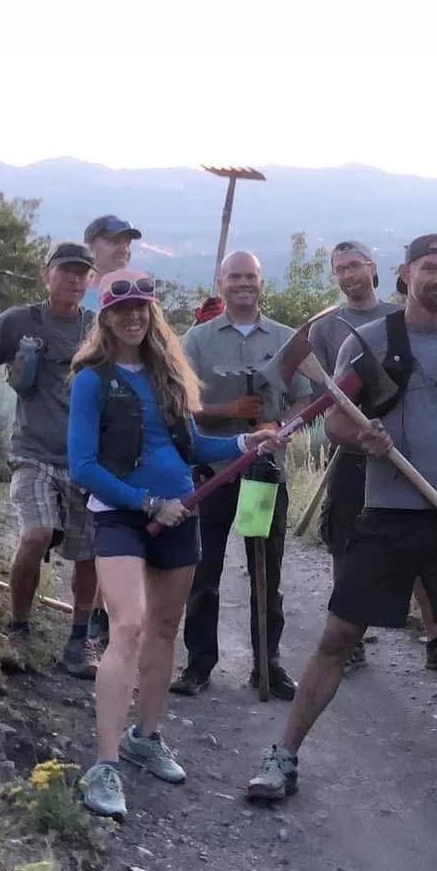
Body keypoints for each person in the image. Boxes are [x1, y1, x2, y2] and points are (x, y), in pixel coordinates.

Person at [244, 234, 437, 805]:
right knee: (339, 635)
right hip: (386, 516)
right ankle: (283, 756)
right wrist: (361, 437)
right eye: (429, 268)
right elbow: (334, 421)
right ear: (405, 273)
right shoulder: (370, 341)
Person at [66, 271, 279, 820]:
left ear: (152, 313)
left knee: (164, 629)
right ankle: (105, 764)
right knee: (128, 625)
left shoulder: (167, 373)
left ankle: (146, 735)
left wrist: (244, 441)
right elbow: (83, 466)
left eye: (141, 307)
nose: (133, 316)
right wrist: (145, 503)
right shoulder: (92, 380)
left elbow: (189, 446)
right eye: (121, 310)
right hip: (122, 515)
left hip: (181, 512)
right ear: (105, 318)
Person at [173, 250, 300, 698]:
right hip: (212, 475)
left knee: (266, 573)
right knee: (204, 572)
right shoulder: (196, 341)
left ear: (262, 283)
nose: (244, 283)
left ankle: (267, 665)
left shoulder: (286, 340)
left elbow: (304, 400)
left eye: (251, 276)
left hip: (262, 477)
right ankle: (198, 664)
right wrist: (231, 410)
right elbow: (182, 407)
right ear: (221, 283)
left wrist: (280, 427)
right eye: (235, 277)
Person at [0, 240, 104, 679]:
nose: (73, 279)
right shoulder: (19, 321)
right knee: (36, 535)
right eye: (65, 270)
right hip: (32, 452)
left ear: (90, 280)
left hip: (86, 461)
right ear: (46, 274)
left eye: (81, 273)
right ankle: (18, 630)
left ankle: (78, 641)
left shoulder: (99, 330)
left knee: (88, 553)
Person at [309, 241, 387, 671]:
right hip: (349, 451)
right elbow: (324, 396)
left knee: (415, 537)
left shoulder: (398, 318)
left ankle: (434, 636)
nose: (347, 275)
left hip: (401, 449)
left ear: (372, 268)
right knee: (344, 538)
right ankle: (349, 632)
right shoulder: (326, 329)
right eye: (339, 269)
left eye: (354, 266)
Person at [79, 215, 142, 312]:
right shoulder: (75, 297)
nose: (124, 250)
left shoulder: (139, 297)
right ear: (90, 247)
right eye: (114, 242)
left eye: (127, 243)